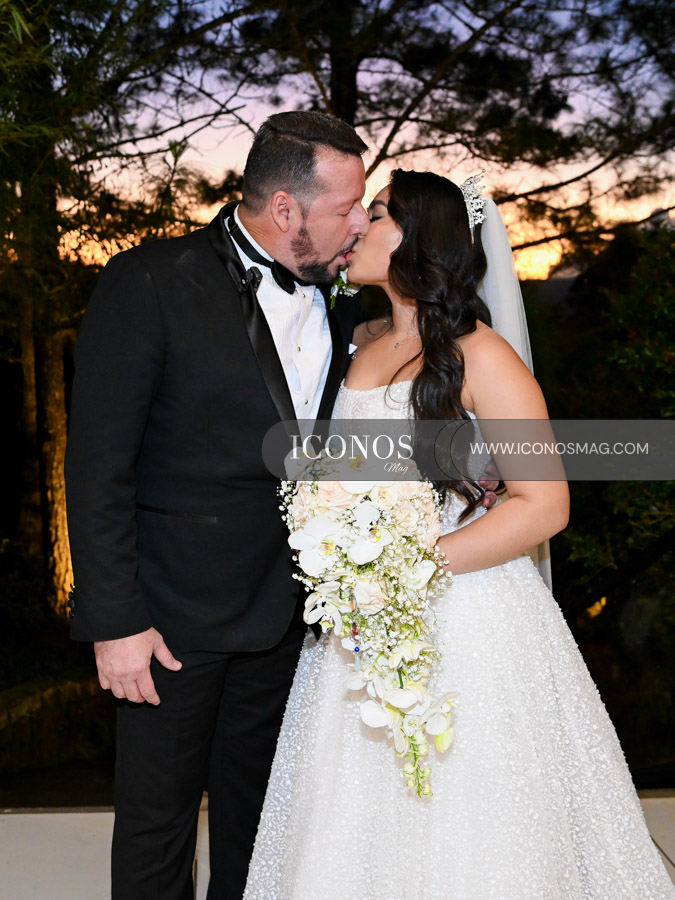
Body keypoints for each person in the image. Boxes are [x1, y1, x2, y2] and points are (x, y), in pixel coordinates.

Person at [243, 170, 675, 899]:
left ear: (418, 238)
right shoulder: (359, 340)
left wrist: (407, 565)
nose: (354, 227)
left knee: (470, 818)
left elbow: (543, 503)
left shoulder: (482, 356)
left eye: (374, 215)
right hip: (356, 628)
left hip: (464, 614)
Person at [65, 110, 372, 900]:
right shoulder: (149, 281)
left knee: (262, 827)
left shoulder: (344, 301)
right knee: (157, 829)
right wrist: (114, 621)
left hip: (285, 617)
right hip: (166, 622)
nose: (359, 223)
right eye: (344, 209)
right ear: (284, 209)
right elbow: (98, 464)